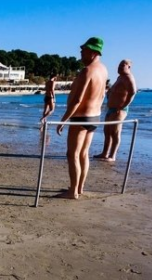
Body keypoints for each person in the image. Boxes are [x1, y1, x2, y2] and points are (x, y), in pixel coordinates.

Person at [55, 37, 108, 199]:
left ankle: (73, 191)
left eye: (83, 51)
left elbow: (78, 99)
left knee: (73, 154)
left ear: (93, 52)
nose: (80, 54)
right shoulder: (103, 69)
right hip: (94, 117)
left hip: (81, 117)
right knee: (83, 153)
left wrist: (64, 119)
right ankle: (79, 187)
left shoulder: (88, 71)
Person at [94, 59, 137, 162]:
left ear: (129, 67)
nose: (119, 67)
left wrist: (123, 106)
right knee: (107, 131)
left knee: (115, 132)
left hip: (120, 110)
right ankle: (105, 153)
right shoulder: (120, 78)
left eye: (123, 65)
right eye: (119, 65)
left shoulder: (128, 78)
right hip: (111, 108)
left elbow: (133, 92)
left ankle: (112, 156)